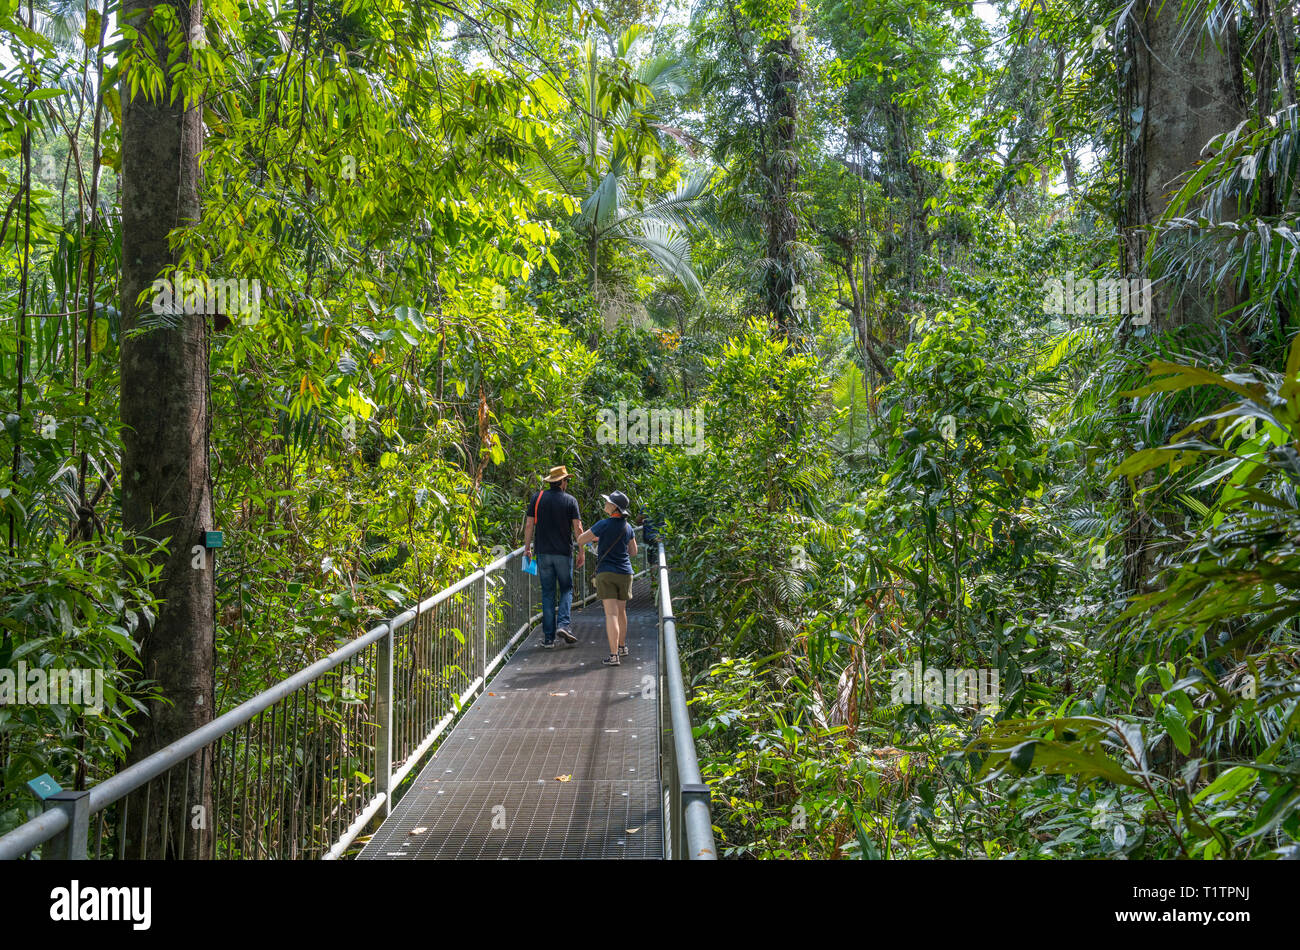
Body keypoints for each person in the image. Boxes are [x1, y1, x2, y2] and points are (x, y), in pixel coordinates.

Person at [522, 466, 584, 648]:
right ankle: (563, 625)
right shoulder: (570, 501)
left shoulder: (537, 498)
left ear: (551, 482)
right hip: (564, 553)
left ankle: (548, 639)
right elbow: (578, 529)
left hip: (542, 552)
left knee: (548, 593)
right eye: (567, 481)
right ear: (563, 482)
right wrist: (581, 551)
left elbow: (529, 525)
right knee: (566, 589)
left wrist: (527, 549)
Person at [577, 491, 637, 666]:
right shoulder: (628, 527)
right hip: (625, 573)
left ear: (613, 507)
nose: (605, 504)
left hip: (606, 572)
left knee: (611, 614)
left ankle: (613, 656)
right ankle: (622, 647)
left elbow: (581, 539)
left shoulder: (603, 525)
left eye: (608, 502)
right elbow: (633, 552)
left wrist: (598, 536)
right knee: (621, 612)